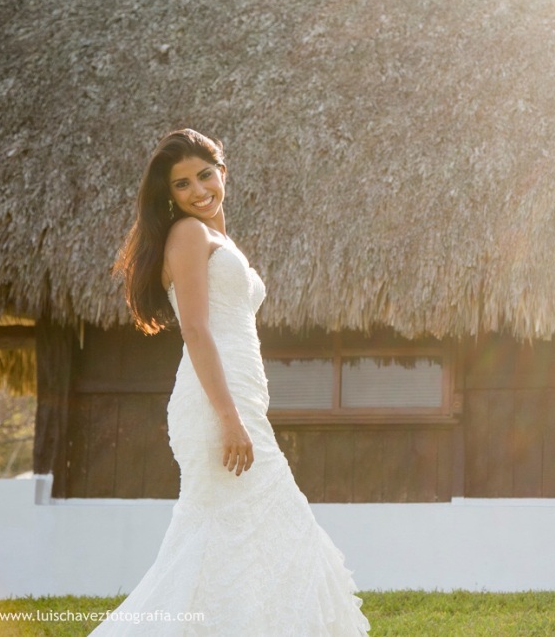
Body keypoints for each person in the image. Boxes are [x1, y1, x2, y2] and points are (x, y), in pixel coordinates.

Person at [99, 129, 370, 634]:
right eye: (182, 185)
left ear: (223, 171)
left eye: (206, 175)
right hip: (215, 408)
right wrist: (229, 419)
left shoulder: (215, 235)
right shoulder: (188, 235)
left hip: (239, 403)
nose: (199, 191)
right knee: (234, 535)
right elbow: (198, 329)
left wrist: (241, 412)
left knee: (252, 540)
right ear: (169, 195)